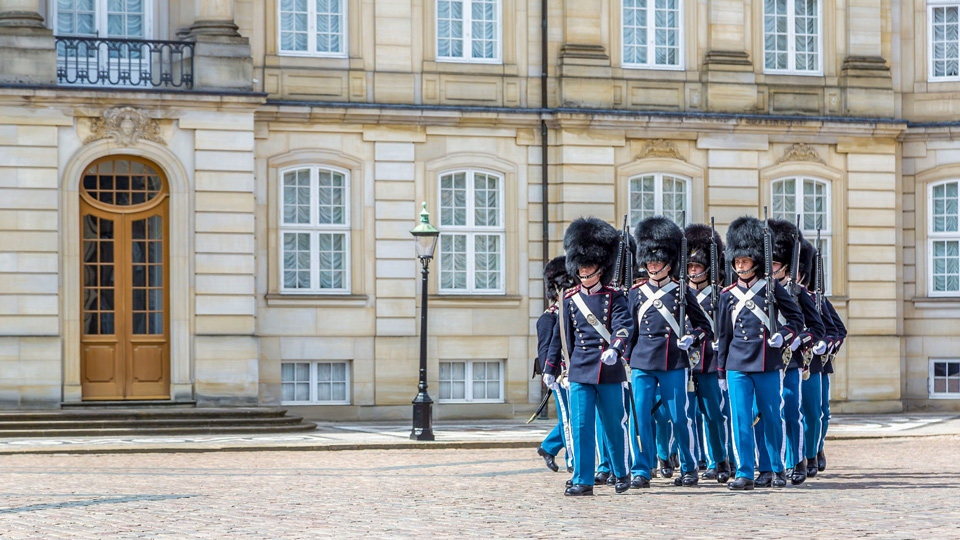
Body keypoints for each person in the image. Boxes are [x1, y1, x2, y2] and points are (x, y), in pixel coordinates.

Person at [544, 217, 634, 496]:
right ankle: (583, 479)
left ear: (600, 267)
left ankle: (621, 472)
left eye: (589, 266)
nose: (584, 271)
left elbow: (624, 326)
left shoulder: (615, 296)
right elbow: (559, 337)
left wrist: (615, 348)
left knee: (613, 425)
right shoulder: (569, 300)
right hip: (580, 371)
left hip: (608, 371)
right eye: (581, 267)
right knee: (582, 426)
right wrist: (550, 366)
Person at [624, 216, 712, 489]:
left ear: (668, 263)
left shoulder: (681, 291)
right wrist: (624, 357)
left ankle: (688, 467)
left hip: (673, 360)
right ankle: (642, 468)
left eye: (656, 261)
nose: (651, 265)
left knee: (679, 418)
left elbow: (703, 326)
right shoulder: (637, 293)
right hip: (641, 361)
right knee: (641, 417)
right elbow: (629, 328)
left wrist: (692, 339)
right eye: (649, 261)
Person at [717, 216, 805, 491]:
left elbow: (796, 319)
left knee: (771, 417)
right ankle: (745, 471)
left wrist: (784, 335)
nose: (740, 266)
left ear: (755, 260)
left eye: (744, 261)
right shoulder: (727, 295)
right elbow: (724, 336)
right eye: (737, 261)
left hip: (767, 360)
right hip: (737, 363)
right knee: (741, 420)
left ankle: (775, 468)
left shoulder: (771, 287)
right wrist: (721, 372)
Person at [752, 219, 825, 486]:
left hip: (791, 360)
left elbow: (817, 326)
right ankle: (769, 464)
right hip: (762, 359)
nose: (771, 268)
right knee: (762, 413)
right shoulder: (759, 290)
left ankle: (796, 461)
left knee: (791, 411)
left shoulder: (797, 291)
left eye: (775, 264)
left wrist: (800, 340)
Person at [682, 223, 732, 484]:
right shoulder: (679, 294)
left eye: (697, 266)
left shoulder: (721, 295)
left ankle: (719, 460)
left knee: (714, 415)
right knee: (685, 416)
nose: (692, 271)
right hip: (685, 361)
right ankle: (689, 463)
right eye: (689, 267)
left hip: (710, 361)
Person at [536, 256, 576, 476]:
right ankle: (572, 459)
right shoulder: (548, 318)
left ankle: (549, 447)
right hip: (561, 375)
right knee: (569, 420)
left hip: (579, 371)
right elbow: (545, 352)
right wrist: (550, 375)